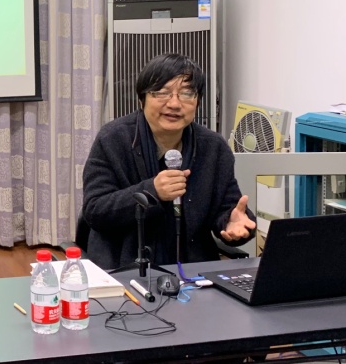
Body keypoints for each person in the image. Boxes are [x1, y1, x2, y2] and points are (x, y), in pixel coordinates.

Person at [81, 53, 255, 270]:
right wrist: (151, 192)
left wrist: (231, 221)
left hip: (193, 272)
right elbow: (95, 210)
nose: (174, 104)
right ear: (142, 99)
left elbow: (227, 208)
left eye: (187, 94)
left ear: (198, 101)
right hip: (124, 269)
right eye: (162, 93)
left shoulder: (213, 147)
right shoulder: (113, 139)